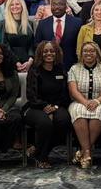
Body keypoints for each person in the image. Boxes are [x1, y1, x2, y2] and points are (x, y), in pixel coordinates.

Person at [23, 40, 71, 169]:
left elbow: (65, 94)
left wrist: (54, 107)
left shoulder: (61, 69)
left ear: (56, 53)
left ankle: (37, 149)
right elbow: (31, 95)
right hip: (35, 107)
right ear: (40, 53)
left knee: (64, 121)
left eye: (52, 51)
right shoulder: (34, 70)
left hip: (57, 105)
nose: (49, 53)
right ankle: (42, 157)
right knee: (45, 123)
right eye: (45, 51)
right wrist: (44, 107)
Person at [67, 41, 101, 169]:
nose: (88, 53)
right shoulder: (74, 68)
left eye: (91, 51)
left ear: (97, 53)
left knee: (99, 112)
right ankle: (87, 152)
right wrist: (85, 102)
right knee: (78, 111)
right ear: (81, 53)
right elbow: (73, 90)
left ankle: (83, 152)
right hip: (80, 101)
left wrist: (97, 101)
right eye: (85, 51)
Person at [35, 0, 82, 70]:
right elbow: (37, 44)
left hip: (72, 66)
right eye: (54, 4)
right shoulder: (42, 24)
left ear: (66, 6)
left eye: (60, 4)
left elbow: (80, 45)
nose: (57, 7)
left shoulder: (77, 23)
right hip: (48, 68)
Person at [1, 0, 35, 72]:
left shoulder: (30, 23)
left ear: (22, 5)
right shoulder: (3, 24)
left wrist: (30, 61)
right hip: (10, 62)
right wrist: (16, 62)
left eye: (17, 4)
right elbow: (5, 45)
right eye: (12, 5)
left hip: (28, 63)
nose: (14, 7)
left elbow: (32, 45)